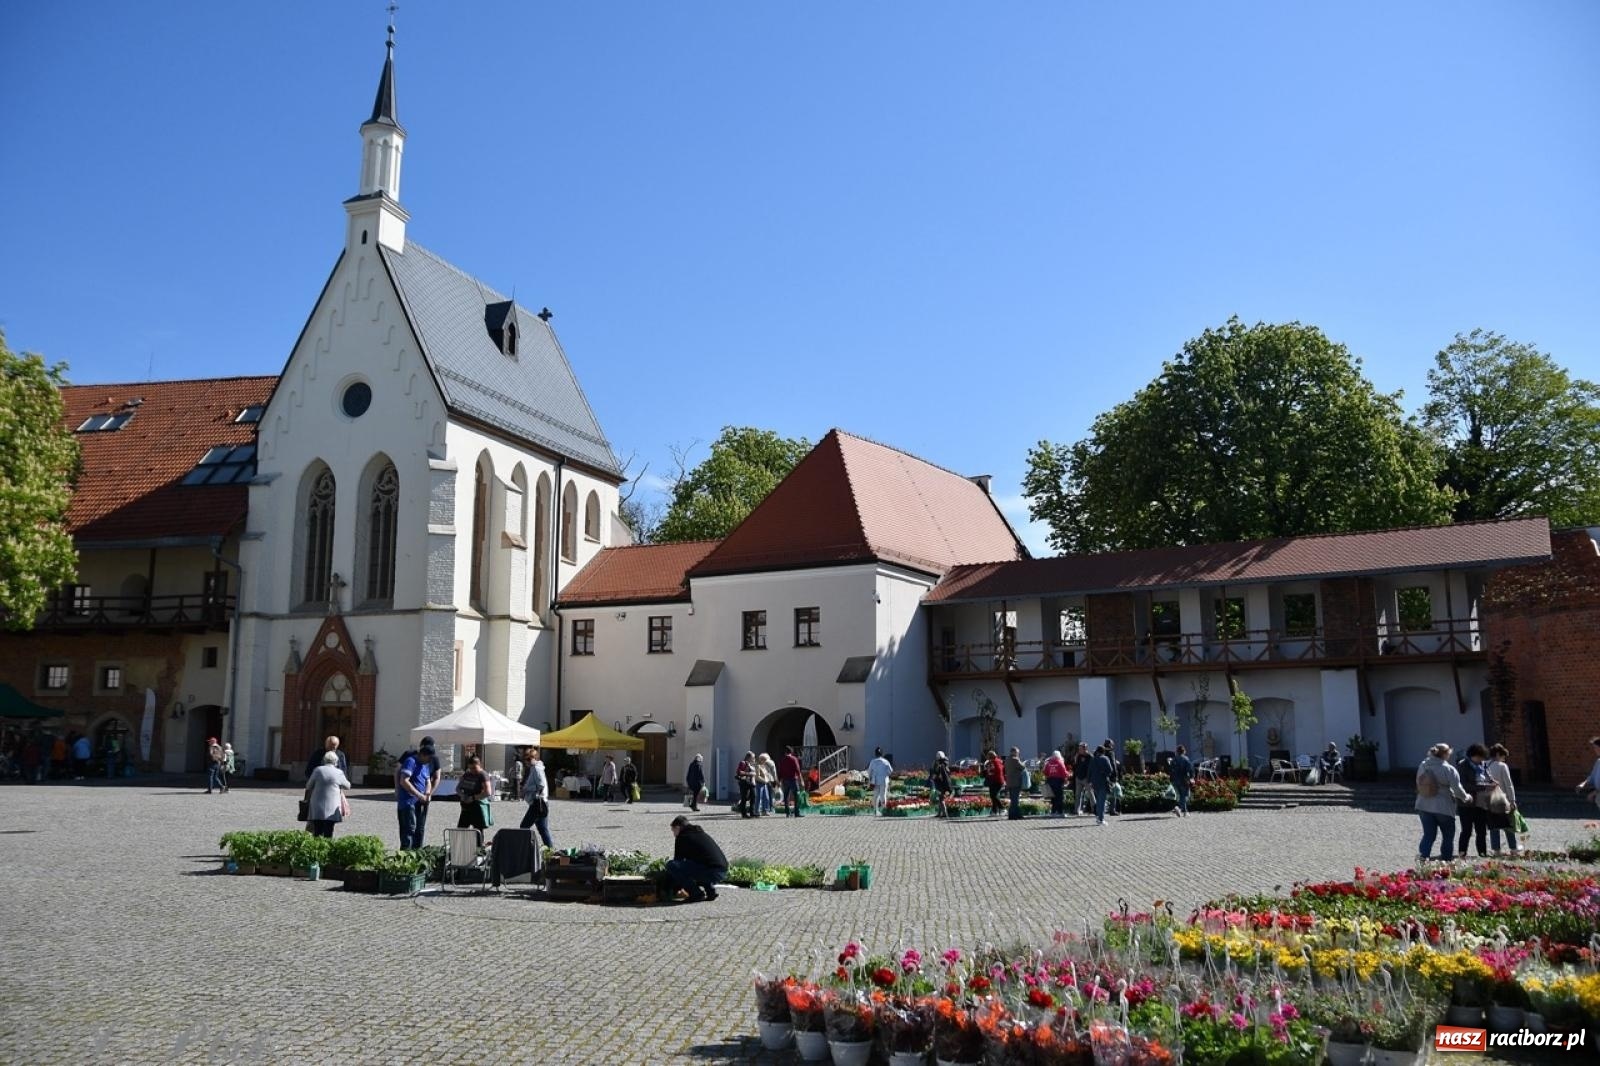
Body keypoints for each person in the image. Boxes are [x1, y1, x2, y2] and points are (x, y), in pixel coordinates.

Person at [1415, 742, 1472, 862]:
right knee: (1447, 835)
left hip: (1424, 804)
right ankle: (1446, 860)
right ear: (1446, 754)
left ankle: (1423, 857)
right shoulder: (1448, 769)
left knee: (1428, 835)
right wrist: (1466, 797)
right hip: (1444, 806)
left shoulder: (1423, 765)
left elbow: (1418, 782)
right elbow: (1457, 790)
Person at [664, 814, 727, 903]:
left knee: (671, 865)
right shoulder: (700, 833)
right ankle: (711, 892)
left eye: (673, 830)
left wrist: (673, 887)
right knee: (700, 863)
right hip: (722, 870)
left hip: (711, 872)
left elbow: (677, 862)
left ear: (678, 828)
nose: (673, 834)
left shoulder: (682, 837)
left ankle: (696, 893)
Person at [395, 742, 435, 849]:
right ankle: (405, 859)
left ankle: (415, 858)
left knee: (418, 831)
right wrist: (418, 795)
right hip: (408, 802)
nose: (430, 761)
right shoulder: (410, 761)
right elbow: (403, 781)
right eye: (428, 758)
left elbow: (428, 781)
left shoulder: (425, 765)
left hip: (419, 803)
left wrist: (427, 794)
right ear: (422, 755)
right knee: (408, 832)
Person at [303, 750, 352, 838]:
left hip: (317, 806)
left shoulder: (317, 770)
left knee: (317, 830)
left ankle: (317, 849)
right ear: (336, 761)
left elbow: (308, 786)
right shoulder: (339, 772)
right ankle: (328, 848)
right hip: (332, 807)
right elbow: (348, 786)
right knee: (329, 831)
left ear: (324, 760)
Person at [1455, 743, 1492, 858]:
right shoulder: (1463, 766)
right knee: (1466, 830)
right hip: (1466, 803)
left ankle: (1482, 852)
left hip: (1481, 803)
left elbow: (1488, 777)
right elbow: (1463, 785)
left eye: (1482, 757)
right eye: (1478, 757)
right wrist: (1482, 786)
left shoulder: (1483, 765)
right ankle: (1462, 852)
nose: (1480, 759)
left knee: (1481, 831)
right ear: (1472, 755)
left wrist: (1491, 782)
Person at [1484, 743, 1520, 855]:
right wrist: (1512, 800)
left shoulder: (1484, 765)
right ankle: (1513, 849)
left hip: (1489, 799)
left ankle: (1496, 850)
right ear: (1498, 754)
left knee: (1493, 825)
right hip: (1502, 798)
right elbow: (1508, 784)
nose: (1504, 759)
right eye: (1503, 756)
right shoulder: (1502, 766)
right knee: (1508, 825)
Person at [518, 745, 553, 848]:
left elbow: (541, 785)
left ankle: (525, 847)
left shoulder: (537, 769)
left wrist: (527, 790)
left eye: (529, 759)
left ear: (535, 758)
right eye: (526, 759)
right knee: (543, 829)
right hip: (540, 802)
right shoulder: (535, 768)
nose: (527, 761)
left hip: (538, 802)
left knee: (524, 826)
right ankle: (550, 849)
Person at [455, 754, 493, 831]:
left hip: (477, 806)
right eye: (470, 768)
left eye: (474, 768)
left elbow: (488, 792)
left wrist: (473, 798)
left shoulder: (483, 775)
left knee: (477, 831)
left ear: (479, 765)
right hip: (466, 807)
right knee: (461, 830)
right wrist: (462, 795)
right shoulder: (467, 774)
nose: (472, 770)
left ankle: (479, 843)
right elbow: (458, 788)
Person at [1088, 744, 1116, 826]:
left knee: (1098, 800)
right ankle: (1101, 818)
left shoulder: (1093, 759)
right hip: (1103, 782)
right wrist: (1105, 774)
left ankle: (1098, 817)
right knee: (1102, 801)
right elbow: (1110, 770)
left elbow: (1089, 771)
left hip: (1094, 783)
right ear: (1103, 752)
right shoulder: (1105, 758)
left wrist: (1090, 781)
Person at [1042, 749, 1069, 818]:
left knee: (1053, 798)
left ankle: (1053, 812)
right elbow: (1064, 773)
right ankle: (1060, 812)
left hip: (1050, 781)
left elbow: (1045, 772)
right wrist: (1068, 775)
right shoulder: (1059, 762)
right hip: (1058, 782)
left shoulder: (1049, 763)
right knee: (1059, 797)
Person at [1168, 744, 1194, 818]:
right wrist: (1191, 778)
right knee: (1185, 795)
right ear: (1184, 751)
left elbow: (1170, 770)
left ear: (1177, 751)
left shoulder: (1174, 759)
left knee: (1181, 796)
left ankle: (1186, 812)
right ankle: (1178, 808)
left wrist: (1171, 779)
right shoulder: (1186, 759)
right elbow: (1190, 769)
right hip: (1184, 779)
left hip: (1175, 780)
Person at [778, 747, 804, 817]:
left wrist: (779, 780)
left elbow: (780, 771)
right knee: (796, 796)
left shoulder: (782, 760)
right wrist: (801, 780)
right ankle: (797, 812)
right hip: (793, 779)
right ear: (791, 752)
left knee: (786, 796)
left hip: (785, 780)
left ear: (785, 752)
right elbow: (797, 769)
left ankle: (787, 813)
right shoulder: (794, 759)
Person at [867, 747, 894, 815]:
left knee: (875, 795)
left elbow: (869, 771)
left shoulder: (872, 761)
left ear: (875, 754)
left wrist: (870, 778)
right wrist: (886, 774)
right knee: (883, 795)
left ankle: (875, 810)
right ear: (882, 753)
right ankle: (883, 809)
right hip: (884, 780)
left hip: (875, 781)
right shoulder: (885, 761)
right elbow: (890, 771)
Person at [1578, 736, 1600, 811]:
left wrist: (1594, 793)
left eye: (1595, 748)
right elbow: (1592, 777)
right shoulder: (1598, 762)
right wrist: (1583, 783)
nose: (1594, 750)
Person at [1005, 747, 1026, 820]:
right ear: (1013, 752)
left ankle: (1018, 814)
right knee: (1015, 800)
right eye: (1017, 752)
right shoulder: (1015, 759)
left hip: (1009, 782)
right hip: (1016, 782)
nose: (1018, 754)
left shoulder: (1007, 759)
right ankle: (1012, 815)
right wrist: (1021, 761)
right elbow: (1023, 767)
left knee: (1013, 799)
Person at [982, 749, 1005, 817]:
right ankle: (994, 811)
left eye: (988, 757)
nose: (988, 758)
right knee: (992, 796)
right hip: (992, 781)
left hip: (998, 781)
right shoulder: (991, 762)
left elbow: (998, 770)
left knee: (994, 795)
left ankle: (1002, 808)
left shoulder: (996, 761)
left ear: (991, 756)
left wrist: (990, 772)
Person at [1072, 743, 1093, 816]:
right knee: (1078, 795)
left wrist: (1089, 778)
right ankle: (1076, 810)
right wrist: (1075, 759)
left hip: (1086, 778)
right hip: (1078, 778)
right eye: (1079, 748)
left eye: (1080, 749)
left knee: (1090, 794)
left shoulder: (1089, 756)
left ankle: (1094, 809)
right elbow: (1076, 765)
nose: (1079, 750)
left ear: (1085, 749)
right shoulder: (1079, 756)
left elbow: (1091, 768)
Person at [930, 752, 953, 817]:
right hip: (944, 783)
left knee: (941, 798)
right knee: (940, 798)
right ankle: (940, 813)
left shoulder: (941, 765)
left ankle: (944, 813)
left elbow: (938, 774)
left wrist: (934, 776)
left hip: (941, 784)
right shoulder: (945, 765)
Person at [735, 751, 757, 817]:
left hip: (752, 783)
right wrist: (750, 774)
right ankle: (744, 813)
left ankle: (752, 812)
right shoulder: (742, 763)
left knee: (753, 796)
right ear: (748, 757)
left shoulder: (751, 764)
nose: (754, 759)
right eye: (753, 757)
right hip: (744, 782)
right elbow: (739, 772)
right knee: (744, 798)